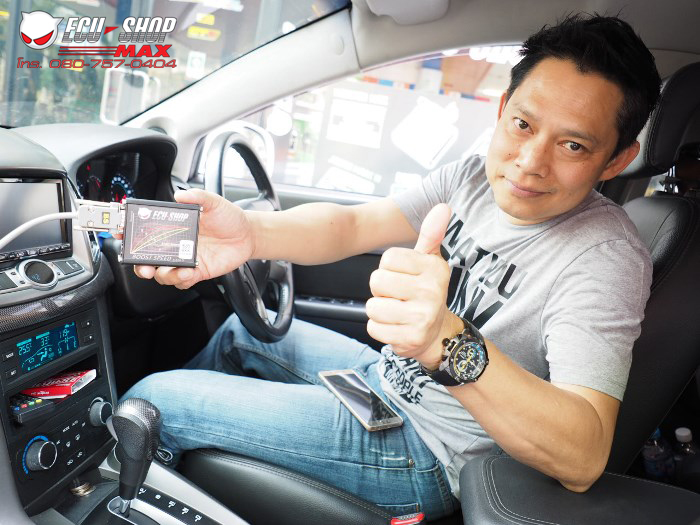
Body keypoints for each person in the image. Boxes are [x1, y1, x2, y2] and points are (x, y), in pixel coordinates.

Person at [123, 13, 661, 520]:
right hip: (385, 381)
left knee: (154, 403)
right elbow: (352, 225)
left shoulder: (605, 257)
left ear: (617, 159)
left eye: (573, 145)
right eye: (523, 124)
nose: (531, 161)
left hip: (433, 450)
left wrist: (446, 341)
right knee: (240, 335)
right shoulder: (474, 179)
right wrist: (251, 234)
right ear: (502, 110)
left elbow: (583, 455)